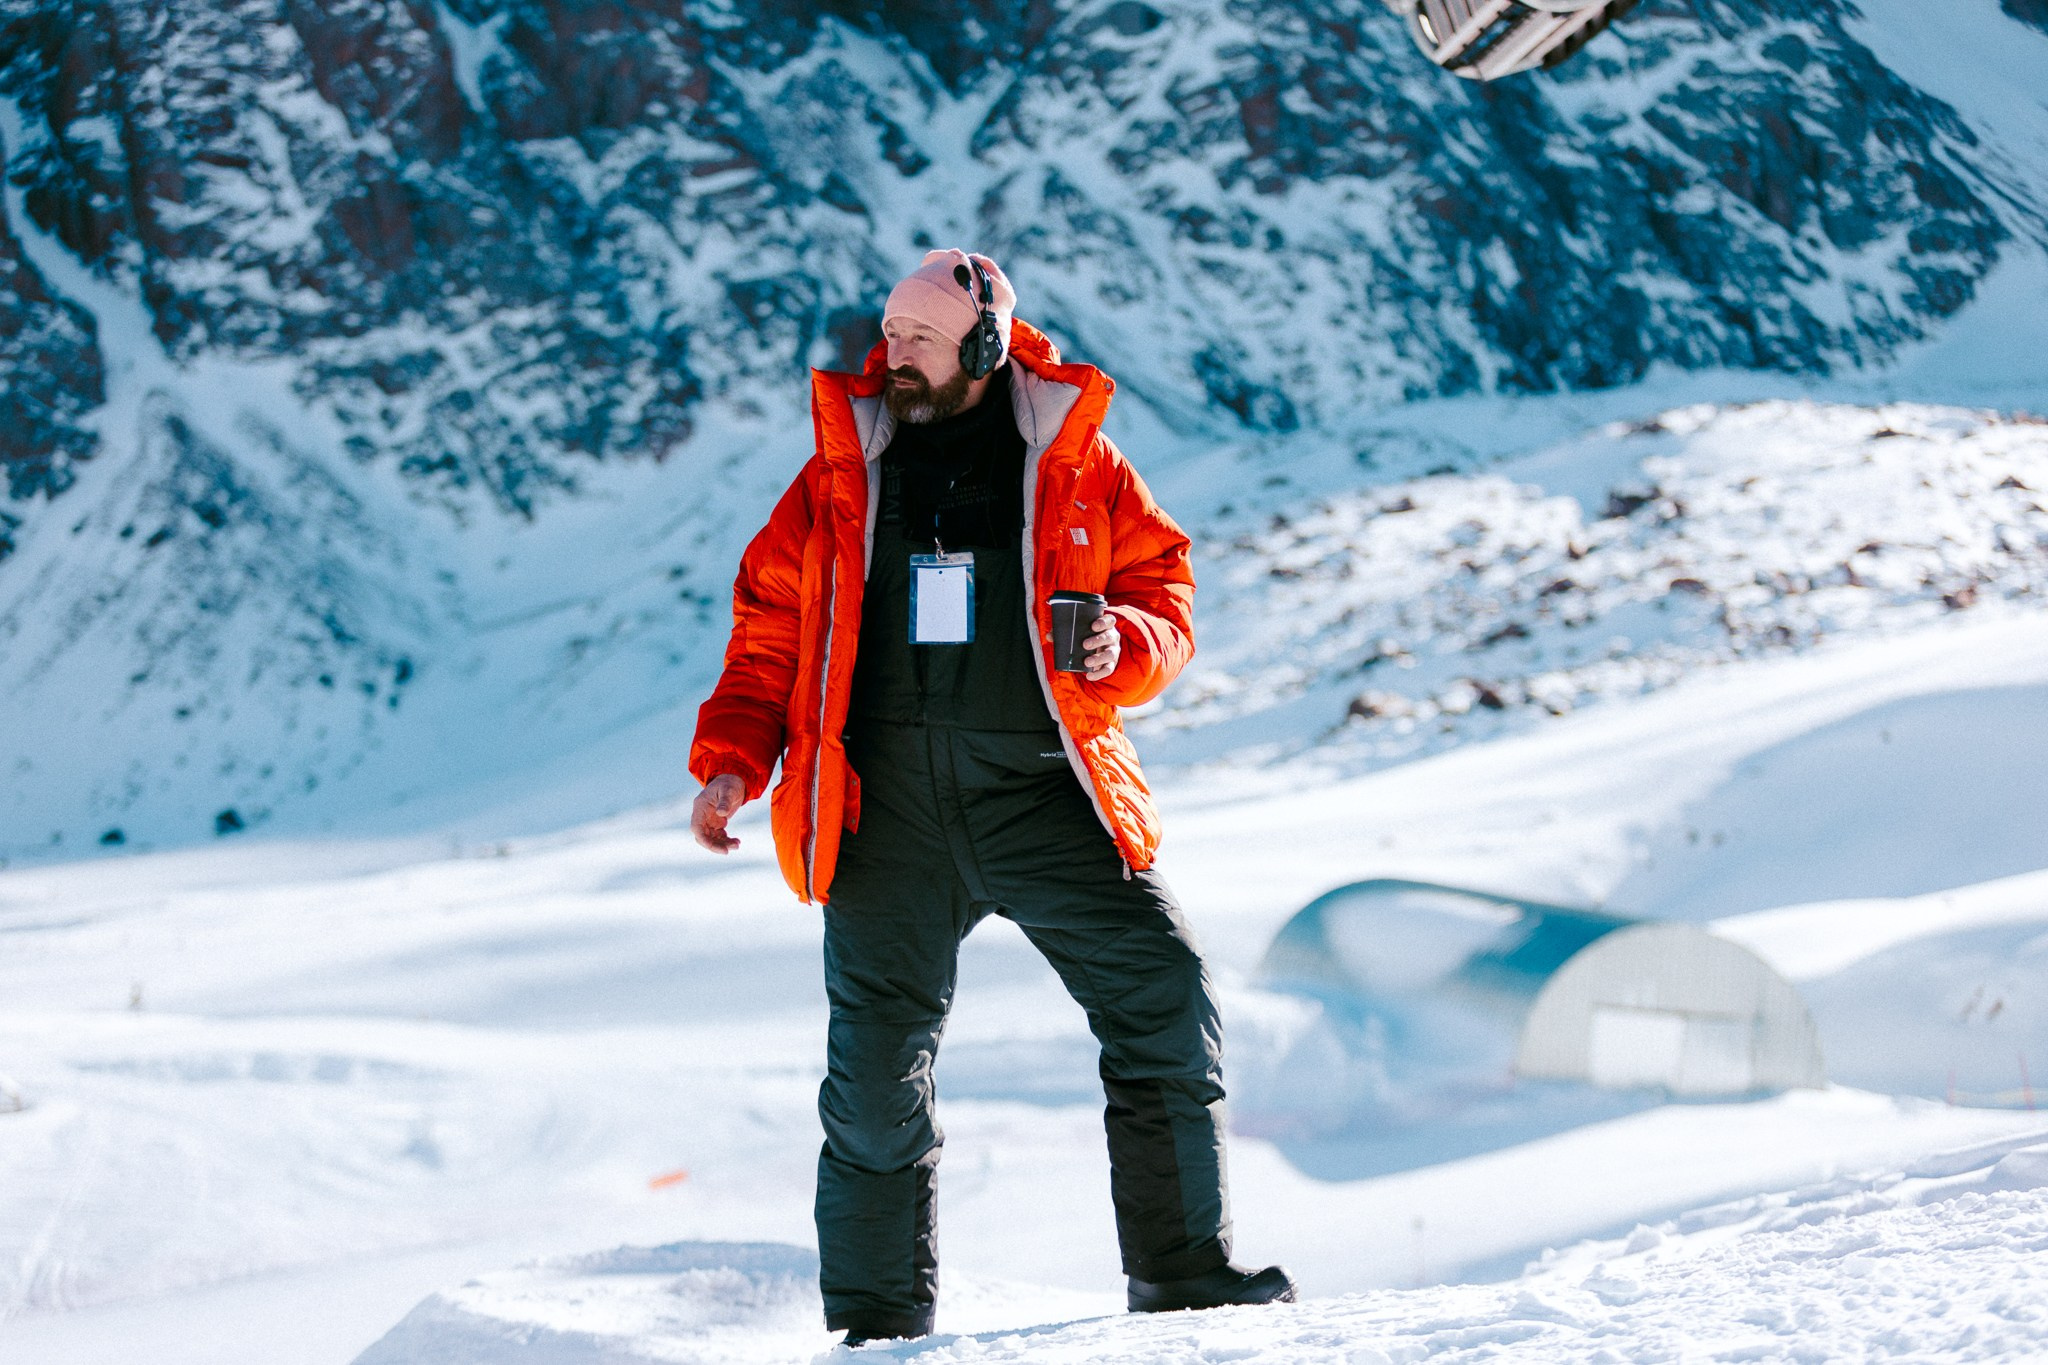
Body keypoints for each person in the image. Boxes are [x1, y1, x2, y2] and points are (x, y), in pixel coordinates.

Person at [688, 249, 1294, 1346]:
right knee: (874, 1076)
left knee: (1162, 991)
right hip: (886, 815)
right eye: (888, 331)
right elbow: (769, 626)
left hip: (1040, 794)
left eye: (917, 337)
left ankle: (1182, 1278)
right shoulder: (843, 469)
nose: (892, 353)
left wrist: (1128, 643)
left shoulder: (1077, 461)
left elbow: (1164, 590)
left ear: (983, 344)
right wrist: (732, 758)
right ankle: (876, 1325)